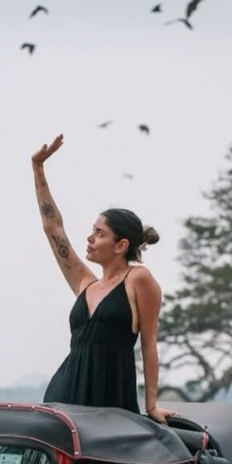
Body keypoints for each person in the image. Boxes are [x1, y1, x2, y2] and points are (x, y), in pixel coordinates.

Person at [32, 134, 176, 424]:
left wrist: (151, 406)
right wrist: (38, 168)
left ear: (121, 245)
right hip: (65, 393)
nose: (90, 238)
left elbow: (149, 344)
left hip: (111, 395)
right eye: (92, 230)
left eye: (100, 233)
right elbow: (53, 228)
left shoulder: (139, 279)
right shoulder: (85, 284)